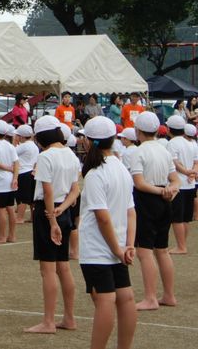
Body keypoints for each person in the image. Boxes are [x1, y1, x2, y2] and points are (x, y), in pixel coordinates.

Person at [79, 116, 137, 349]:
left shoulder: (96, 173)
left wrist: (117, 249)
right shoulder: (120, 168)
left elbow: (102, 217)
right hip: (120, 244)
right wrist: (127, 245)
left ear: (90, 142)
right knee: (125, 298)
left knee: (105, 300)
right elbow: (131, 211)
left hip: (99, 247)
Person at [24, 115, 80, 334]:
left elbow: (47, 190)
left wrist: (52, 218)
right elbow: (75, 189)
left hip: (48, 212)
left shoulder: (46, 156)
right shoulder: (71, 154)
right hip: (63, 209)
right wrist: (63, 209)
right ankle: (69, 317)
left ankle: (48, 321)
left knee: (47, 269)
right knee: (63, 266)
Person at [129, 111, 180, 310]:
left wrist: (161, 191)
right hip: (165, 199)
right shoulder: (164, 150)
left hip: (147, 200)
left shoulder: (138, 152)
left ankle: (150, 297)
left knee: (145, 251)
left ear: (138, 131)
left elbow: (139, 183)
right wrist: (169, 191)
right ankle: (169, 295)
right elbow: (175, 179)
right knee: (162, 249)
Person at [164, 115, 197, 255]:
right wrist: (192, 173)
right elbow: (196, 162)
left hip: (179, 184)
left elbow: (174, 163)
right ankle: (182, 243)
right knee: (185, 218)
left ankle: (181, 246)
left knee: (177, 218)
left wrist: (187, 172)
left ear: (168, 129)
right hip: (190, 183)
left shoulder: (172, 143)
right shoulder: (190, 143)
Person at [0, 120, 19, 244]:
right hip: (10, 179)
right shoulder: (9, 146)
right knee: (10, 208)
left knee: (1, 209)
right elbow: (16, 162)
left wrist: (9, 169)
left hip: (0, 181)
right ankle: (12, 235)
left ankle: (2, 236)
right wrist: (15, 177)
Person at [14, 124, 39, 224]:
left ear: (22, 136)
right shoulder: (34, 146)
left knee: (21, 197)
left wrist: (14, 142)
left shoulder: (23, 146)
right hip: (32, 172)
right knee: (32, 198)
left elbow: (12, 154)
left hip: (23, 173)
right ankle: (33, 217)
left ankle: (20, 218)